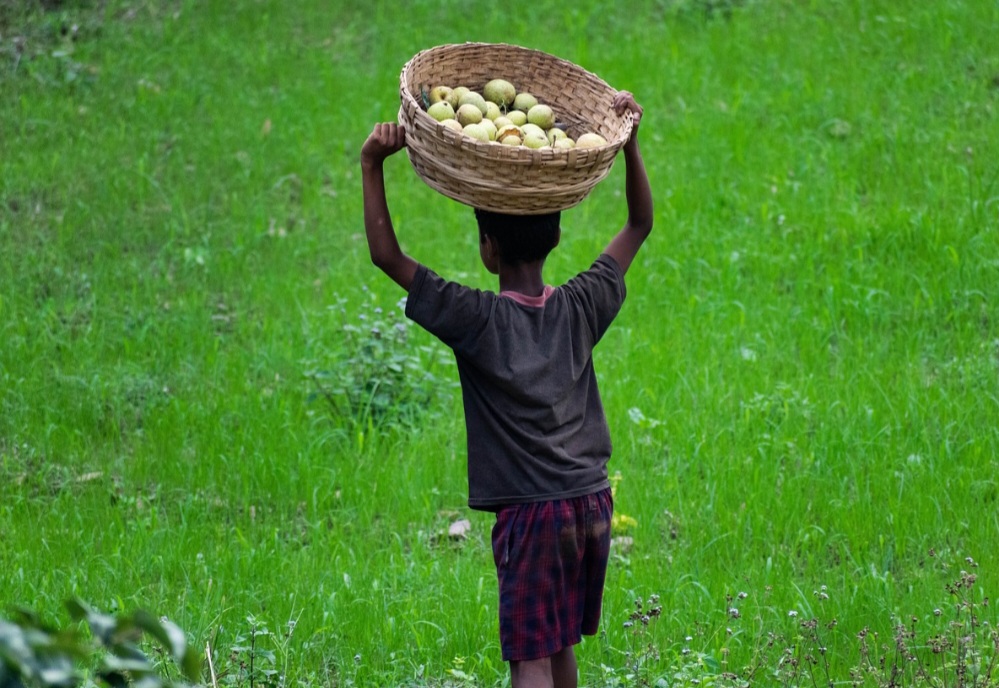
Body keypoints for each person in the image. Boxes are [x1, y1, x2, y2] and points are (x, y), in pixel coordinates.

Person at [359, 91, 652, 688]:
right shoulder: (580, 306)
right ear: (556, 238)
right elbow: (640, 224)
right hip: (591, 502)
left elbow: (386, 256)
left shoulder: (477, 320)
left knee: (530, 657)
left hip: (534, 513)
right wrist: (630, 145)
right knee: (561, 638)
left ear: (487, 250)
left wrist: (371, 164)